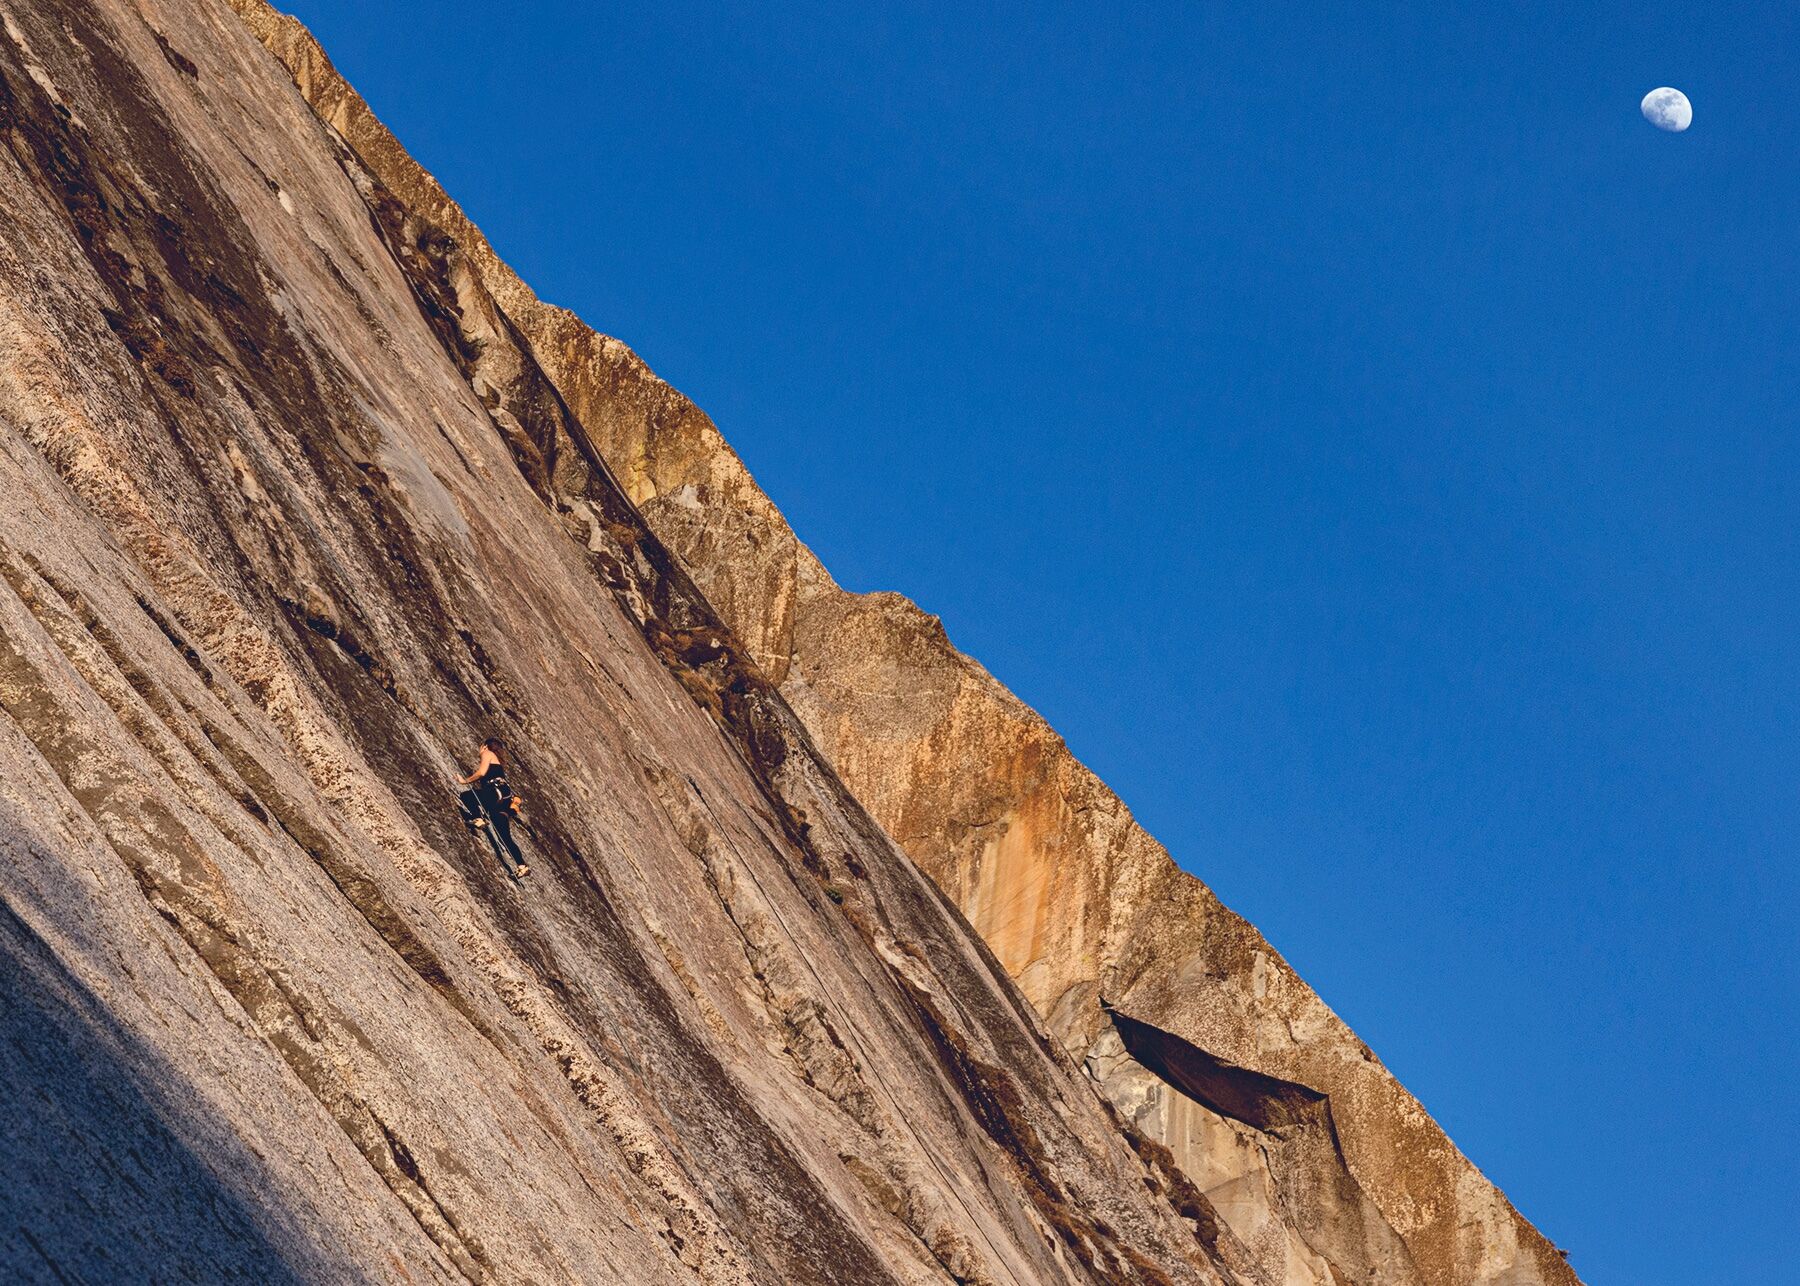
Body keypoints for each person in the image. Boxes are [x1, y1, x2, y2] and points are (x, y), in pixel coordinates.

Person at [458, 737, 529, 879]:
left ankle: (478, 818)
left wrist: (464, 781)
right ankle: (522, 866)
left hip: (494, 792)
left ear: (484, 746)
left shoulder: (488, 753)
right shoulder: (499, 763)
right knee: (504, 837)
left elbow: (481, 773)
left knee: (467, 796)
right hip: (503, 799)